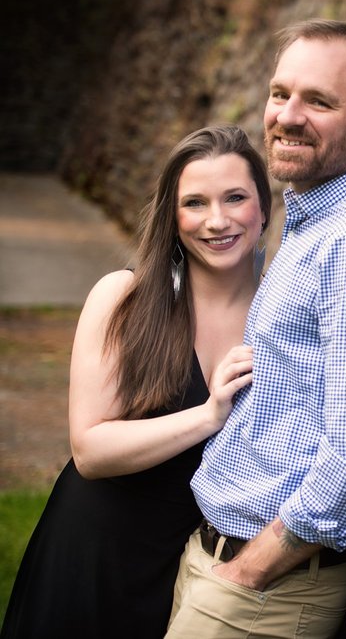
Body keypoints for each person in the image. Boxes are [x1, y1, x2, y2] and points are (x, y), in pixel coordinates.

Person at [165, 19, 346, 638]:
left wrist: (251, 571)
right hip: (221, 566)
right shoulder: (317, 220)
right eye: (280, 93)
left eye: (318, 101)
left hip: (264, 592)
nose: (287, 116)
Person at [0, 125, 272, 639]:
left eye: (235, 197)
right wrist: (209, 414)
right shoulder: (125, 298)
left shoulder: (279, 317)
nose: (217, 220)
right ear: (173, 216)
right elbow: (90, 450)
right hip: (93, 553)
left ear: (263, 208)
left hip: (193, 572)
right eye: (195, 203)